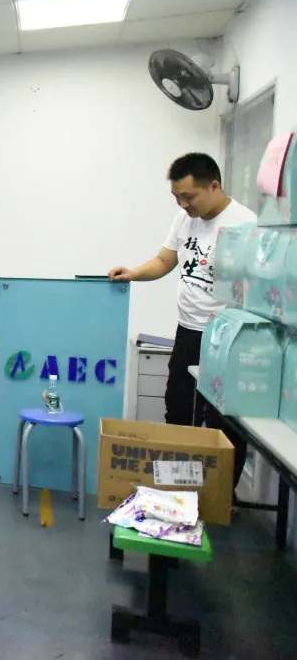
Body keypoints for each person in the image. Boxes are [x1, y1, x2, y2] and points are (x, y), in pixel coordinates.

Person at [108, 152, 255, 496]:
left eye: (189, 196)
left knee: (222, 422)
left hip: (226, 337)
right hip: (188, 332)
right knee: (177, 410)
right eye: (177, 198)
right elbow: (164, 260)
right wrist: (133, 273)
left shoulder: (245, 225)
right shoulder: (184, 220)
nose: (184, 205)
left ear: (214, 186)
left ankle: (220, 497)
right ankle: (177, 491)